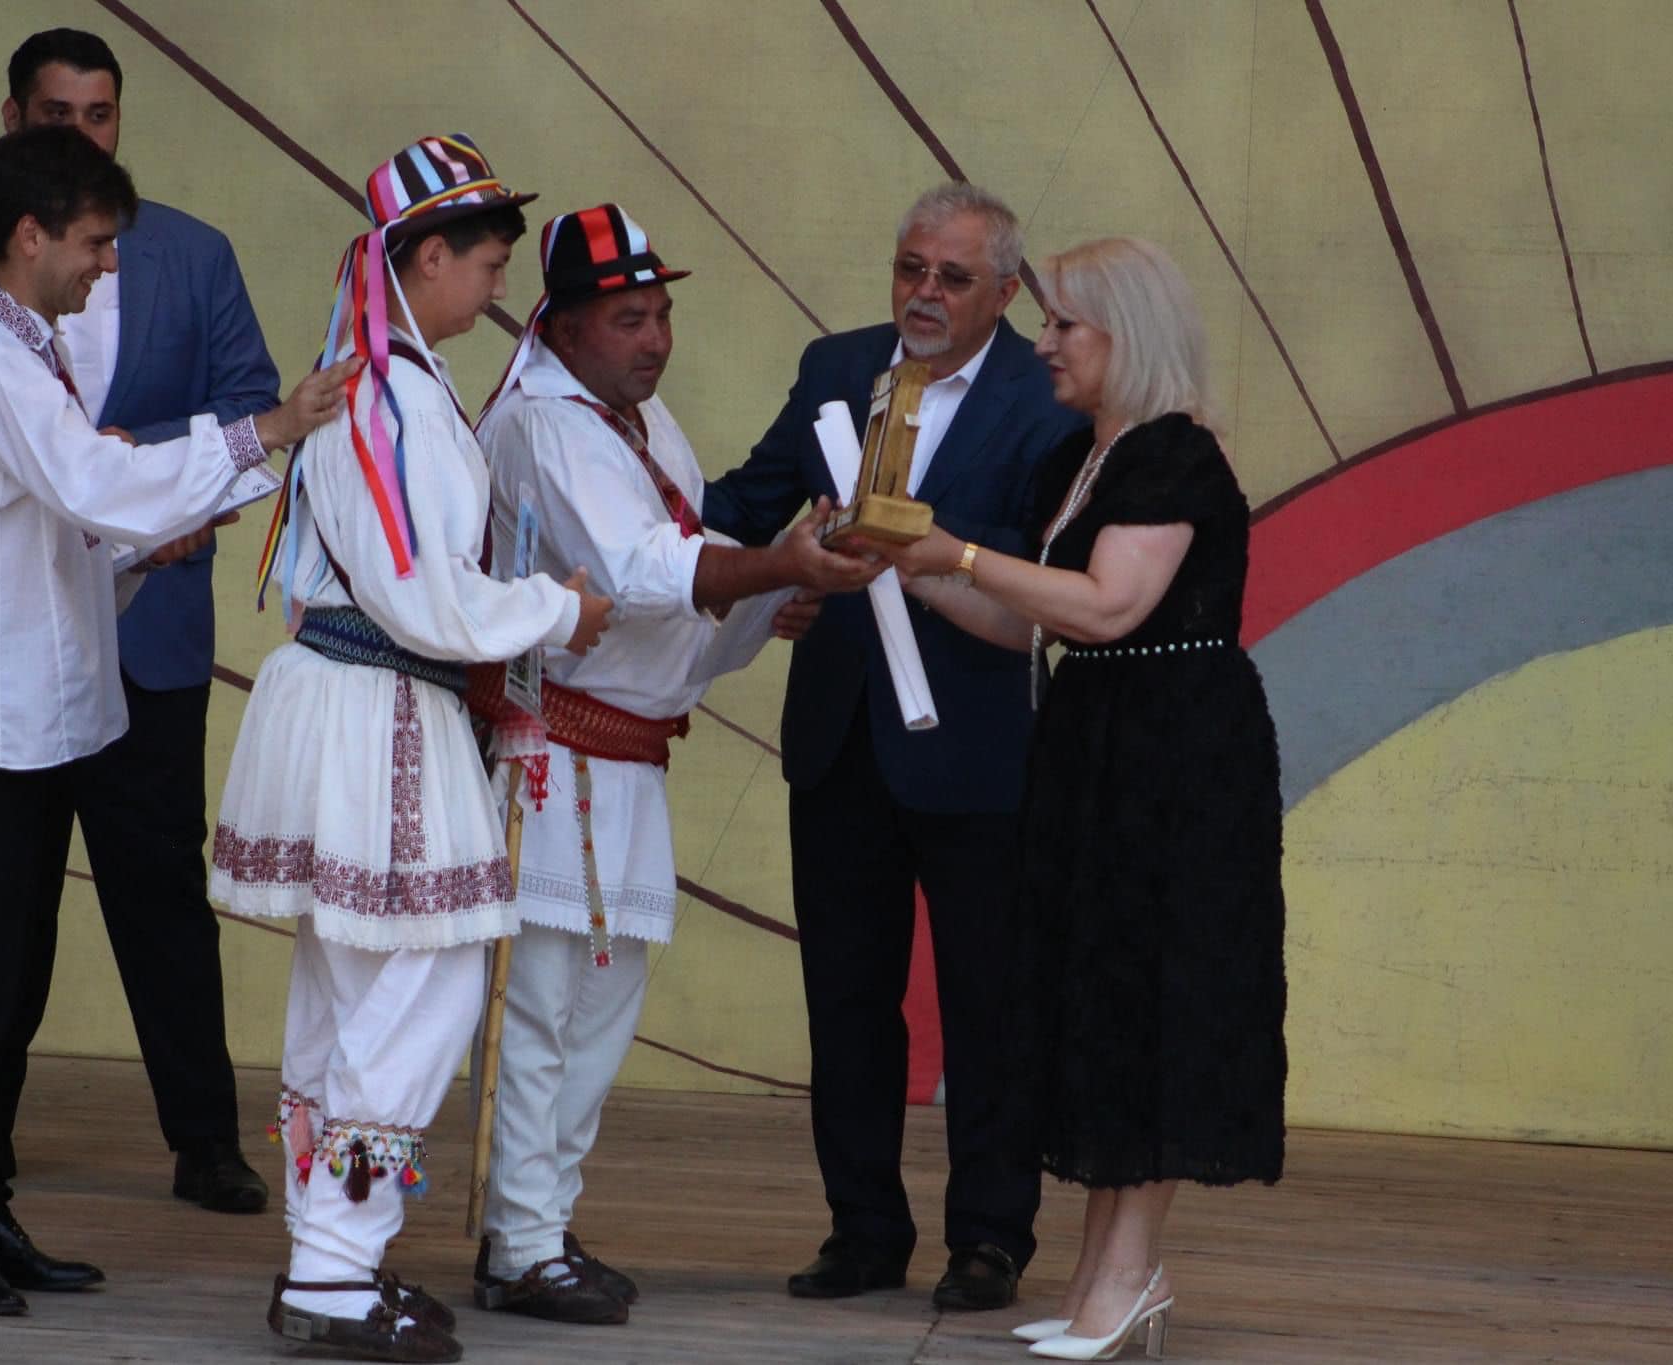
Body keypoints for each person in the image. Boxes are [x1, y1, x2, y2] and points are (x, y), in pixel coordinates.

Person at [0, 124, 347, 1318]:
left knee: (11, 983)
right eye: (94, 242)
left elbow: (73, 525)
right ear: (29, 236)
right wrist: (267, 432)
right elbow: (97, 486)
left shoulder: (24, 350)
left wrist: (157, 533)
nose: (107, 265)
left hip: (30, 719)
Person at [0, 27, 278, 1215]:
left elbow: (147, 444)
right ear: (15, 138)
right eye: (57, 116)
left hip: (120, 633)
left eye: (100, 116)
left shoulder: (183, 255)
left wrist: (122, 476)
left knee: (155, 898)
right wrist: (3, 457)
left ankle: (188, 1147)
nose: (81, 136)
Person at [208, 135, 611, 1364]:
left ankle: (326, 1258)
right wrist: (556, 609)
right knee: (422, 981)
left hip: (359, 699)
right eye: (486, 263)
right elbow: (420, 595)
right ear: (426, 256)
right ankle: (333, 1265)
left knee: (357, 986)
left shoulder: (387, 382)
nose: (496, 287)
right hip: (377, 706)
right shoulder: (386, 395)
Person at [865, 236, 1287, 1360]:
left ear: (1125, 336)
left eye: (1064, 326)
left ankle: (1128, 1274)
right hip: (1096, 748)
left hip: (1175, 761)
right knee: (1099, 1001)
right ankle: (1108, 1275)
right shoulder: (1085, 456)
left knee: (1154, 1006)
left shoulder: (1174, 454)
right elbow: (1032, 622)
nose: (1044, 344)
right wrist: (907, 565)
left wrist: (955, 555)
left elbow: (1106, 606)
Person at [470, 204, 883, 1326]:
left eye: (660, 315)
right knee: (540, 1013)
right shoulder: (545, 424)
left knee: (595, 1015)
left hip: (625, 761)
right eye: (628, 318)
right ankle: (519, 1241)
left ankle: (538, 1227)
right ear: (561, 325)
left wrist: (765, 600)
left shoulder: (639, 422)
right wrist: (772, 567)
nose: (653, 339)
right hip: (553, 755)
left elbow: (680, 613)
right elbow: (643, 565)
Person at [704, 183, 1087, 1310]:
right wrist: (616, 491)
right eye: (909, 267)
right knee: (846, 1000)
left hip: (980, 746)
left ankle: (990, 1237)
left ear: (1005, 294)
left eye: (952, 277)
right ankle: (863, 1229)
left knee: (989, 1005)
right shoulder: (836, 367)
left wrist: (912, 550)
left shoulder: (1046, 398)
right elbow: (743, 504)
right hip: (840, 738)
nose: (923, 293)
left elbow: (1043, 572)